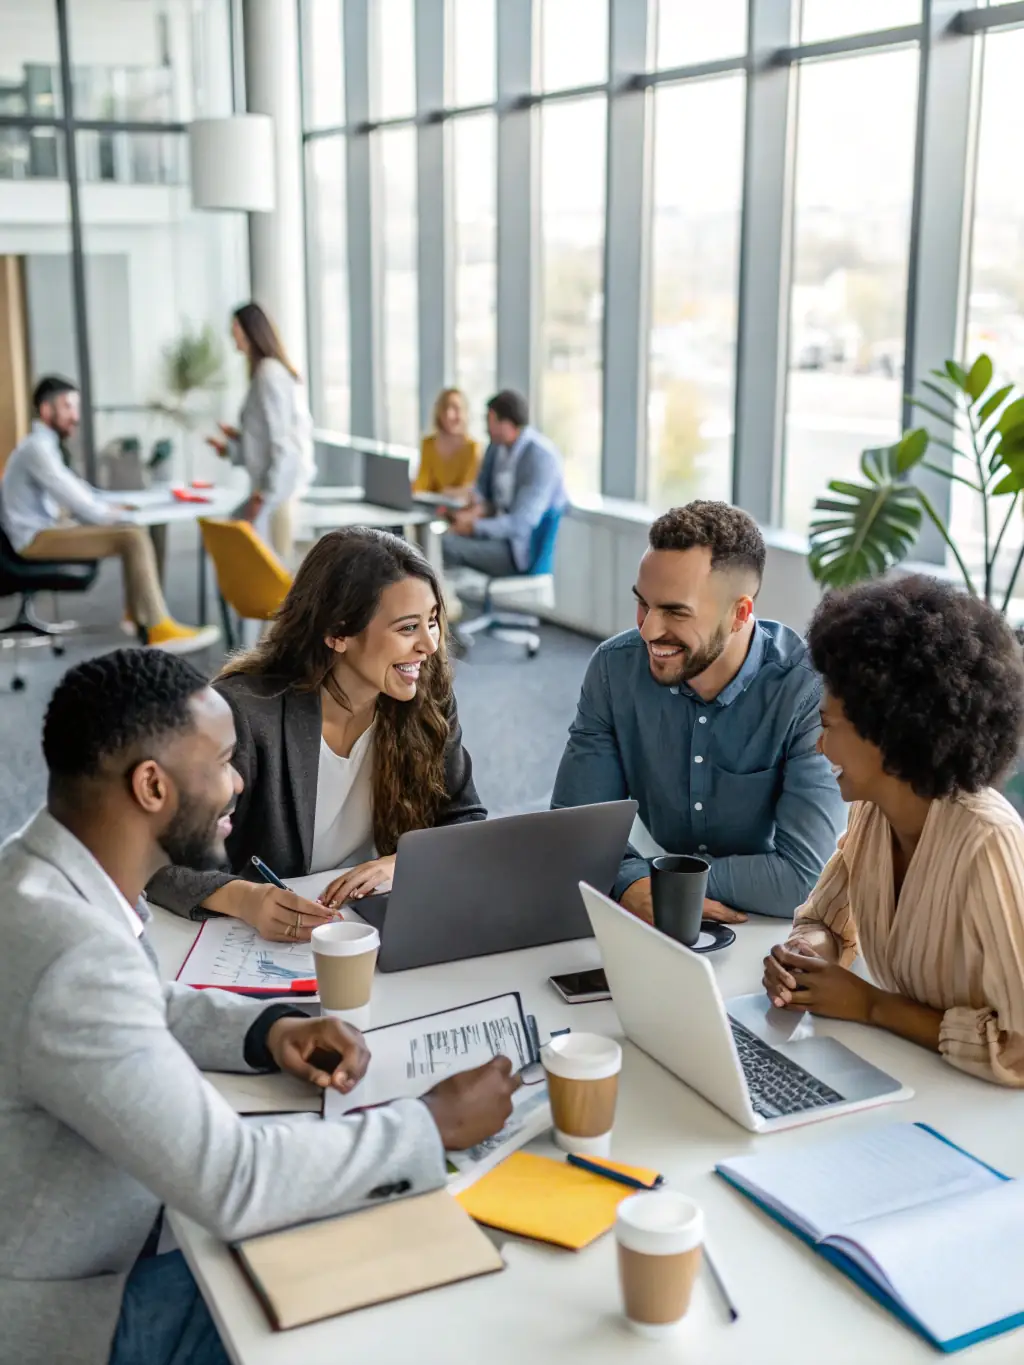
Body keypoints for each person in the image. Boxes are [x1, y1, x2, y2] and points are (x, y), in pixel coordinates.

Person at [0, 648, 520, 1365]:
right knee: (386, 1276)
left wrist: (268, 1030)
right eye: (218, 761)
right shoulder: (71, 954)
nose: (237, 781)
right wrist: (431, 1123)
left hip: (102, 1232)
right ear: (151, 785)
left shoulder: (36, 871)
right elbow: (233, 1178)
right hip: (78, 1309)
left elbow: (141, 1001)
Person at [147, 527, 485, 939]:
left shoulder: (426, 696)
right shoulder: (244, 712)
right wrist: (247, 899)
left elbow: (464, 818)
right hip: (259, 940)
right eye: (407, 628)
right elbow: (159, 856)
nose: (430, 646)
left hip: (369, 924)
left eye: (432, 622)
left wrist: (402, 862)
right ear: (338, 632)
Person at [762, 576, 1024, 1087]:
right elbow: (827, 921)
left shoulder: (988, 845)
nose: (819, 747)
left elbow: (1021, 1049)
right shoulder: (875, 810)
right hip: (914, 1080)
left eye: (830, 726)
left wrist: (872, 1006)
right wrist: (807, 958)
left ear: (889, 730)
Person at [551, 501, 845, 923]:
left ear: (740, 613)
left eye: (675, 611)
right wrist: (632, 883)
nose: (648, 629)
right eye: (644, 604)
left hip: (777, 926)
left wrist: (659, 881)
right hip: (652, 911)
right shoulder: (614, 669)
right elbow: (575, 830)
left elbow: (802, 878)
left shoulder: (805, 692)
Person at [0, 376, 218, 653]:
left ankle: (138, 615)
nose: (75, 417)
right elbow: (81, 505)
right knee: (131, 537)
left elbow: (83, 492)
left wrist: (124, 504)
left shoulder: (43, 446)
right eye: (68, 407)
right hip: (33, 540)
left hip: (43, 531)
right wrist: (117, 516)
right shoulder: (36, 449)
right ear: (46, 410)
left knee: (131, 532)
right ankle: (158, 627)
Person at [207, 302, 315, 565]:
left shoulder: (269, 374)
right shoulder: (264, 374)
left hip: (276, 487)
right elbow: (262, 441)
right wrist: (232, 444)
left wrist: (264, 494)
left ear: (251, 331)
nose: (233, 338)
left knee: (254, 556)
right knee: (236, 541)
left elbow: (281, 443)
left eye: (236, 329)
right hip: (270, 484)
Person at [442, 388, 566, 577]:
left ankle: (447, 605)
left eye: (490, 421)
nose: (486, 428)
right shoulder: (496, 448)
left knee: (443, 546)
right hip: (493, 533)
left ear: (507, 423)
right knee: (438, 540)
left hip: (517, 549)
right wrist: (474, 509)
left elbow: (521, 523)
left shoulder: (540, 457)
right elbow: (483, 490)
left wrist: (473, 527)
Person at [414, 387, 481, 496]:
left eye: (456, 408)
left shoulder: (473, 448)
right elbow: (421, 486)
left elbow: (468, 491)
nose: (449, 415)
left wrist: (443, 493)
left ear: (465, 412)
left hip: (459, 510)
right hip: (429, 508)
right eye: (445, 408)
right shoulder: (428, 444)